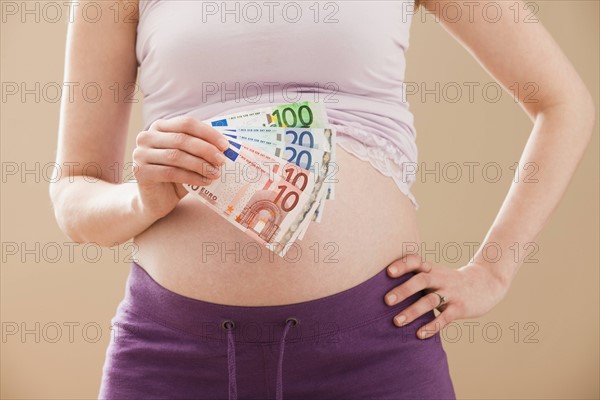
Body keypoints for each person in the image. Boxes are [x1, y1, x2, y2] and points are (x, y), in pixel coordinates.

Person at [49, 0, 594, 399]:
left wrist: (492, 273)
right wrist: (140, 201)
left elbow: (563, 102)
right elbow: (74, 188)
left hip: (372, 355)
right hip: (171, 357)